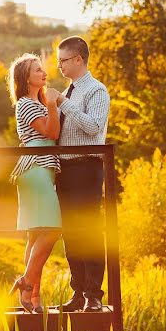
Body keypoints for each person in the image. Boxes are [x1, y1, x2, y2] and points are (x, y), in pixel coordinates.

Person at [51, 36, 111, 312]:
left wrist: (62, 102)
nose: (59, 65)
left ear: (78, 59)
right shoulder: (71, 91)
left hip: (86, 167)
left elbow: (94, 127)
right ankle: (78, 294)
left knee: (89, 230)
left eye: (63, 60)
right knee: (71, 233)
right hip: (66, 169)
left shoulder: (96, 91)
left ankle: (94, 295)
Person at [6, 53, 64, 313]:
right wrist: (52, 103)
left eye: (43, 68)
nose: (44, 73)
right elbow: (51, 133)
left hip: (41, 169)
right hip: (36, 167)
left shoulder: (34, 102)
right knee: (51, 230)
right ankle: (27, 282)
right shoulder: (27, 104)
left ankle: (33, 298)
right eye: (37, 70)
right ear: (25, 78)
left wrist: (50, 102)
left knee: (35, 235)